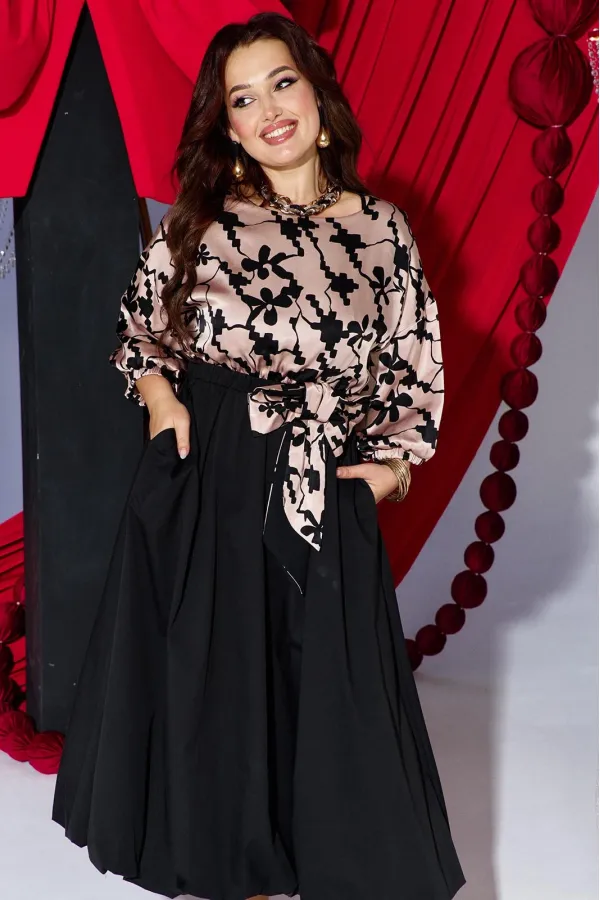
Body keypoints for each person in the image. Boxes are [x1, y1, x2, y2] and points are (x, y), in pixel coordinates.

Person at [52, 11, 466, 900]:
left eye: (282, 83)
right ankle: (234, 867)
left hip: (325, 478)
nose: (269, 109)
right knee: (224, 686)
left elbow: (412, 364)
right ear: (229, 129)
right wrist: (164, 404)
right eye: (243, 99)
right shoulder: (203, 225)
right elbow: (142, 330)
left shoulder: (383, 229)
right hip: (216, 474)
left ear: (316, 94)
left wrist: (392, 471)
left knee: (330, 687)